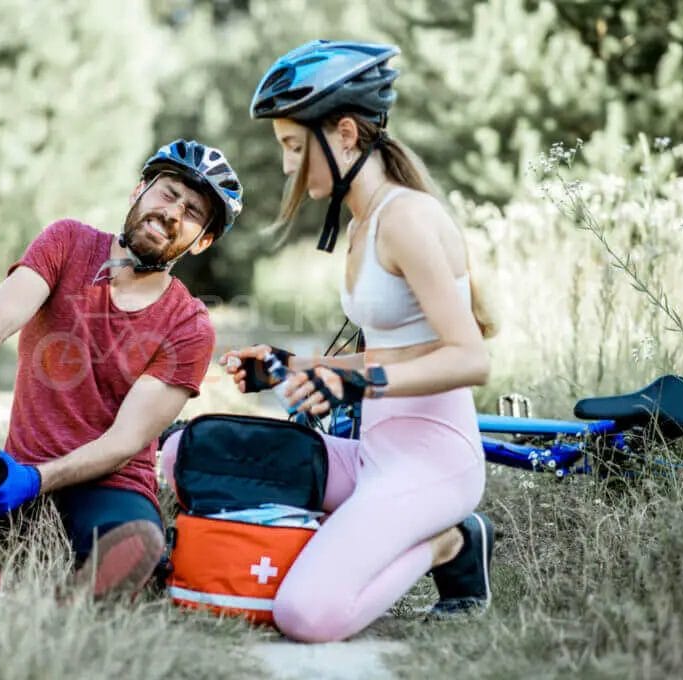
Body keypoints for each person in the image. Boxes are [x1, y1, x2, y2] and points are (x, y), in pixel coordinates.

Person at [161, 40, 497, 642]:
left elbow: (470, 358)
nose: (287, 165)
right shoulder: (365, 222)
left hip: (433, 465)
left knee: (306, 615)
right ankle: (350, 536)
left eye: (294, 146)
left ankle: (449, 542)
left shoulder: (406, 218)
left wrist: (356, 384)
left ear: (344, 134)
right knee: (180, 453)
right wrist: (296, 366)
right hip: (372, 456)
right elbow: (401, 350)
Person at [0, 139, 243, 599]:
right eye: (169, 193)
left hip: (109, 484)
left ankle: (71, 601)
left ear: (203, 241)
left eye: (193, 212)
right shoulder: (68, 242)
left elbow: (125, 442)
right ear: (139, 190)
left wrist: (37, 480)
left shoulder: (189, 325)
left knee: (139, 540)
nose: (174, 213)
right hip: (17, 469)